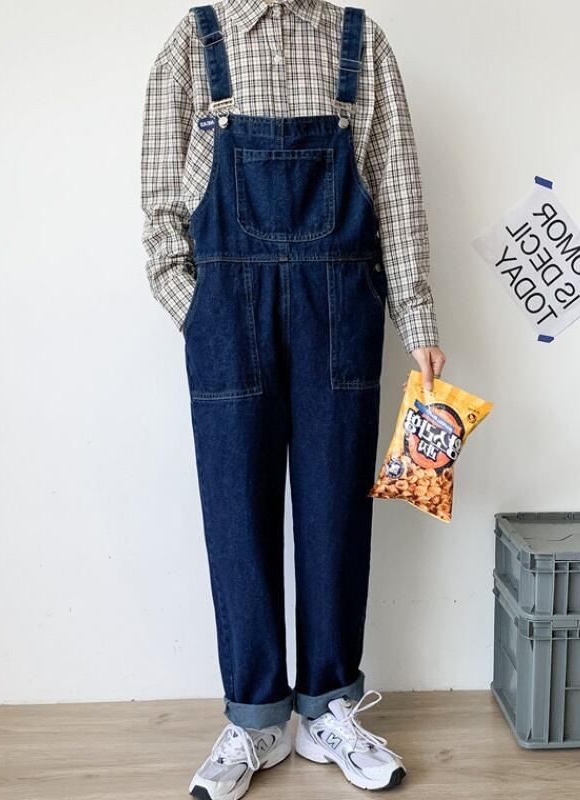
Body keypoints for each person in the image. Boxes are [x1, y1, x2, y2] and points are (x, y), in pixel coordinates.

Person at [140, 0, 445, 796]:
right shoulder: (193, 44)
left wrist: (417, 319)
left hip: (340, 309)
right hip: (226, 314)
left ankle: (328, 709)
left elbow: (398, 190)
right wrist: (195, 311)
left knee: (335, 509)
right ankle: (254, 720)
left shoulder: (359, 41)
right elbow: (160, 205)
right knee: (235, 512)